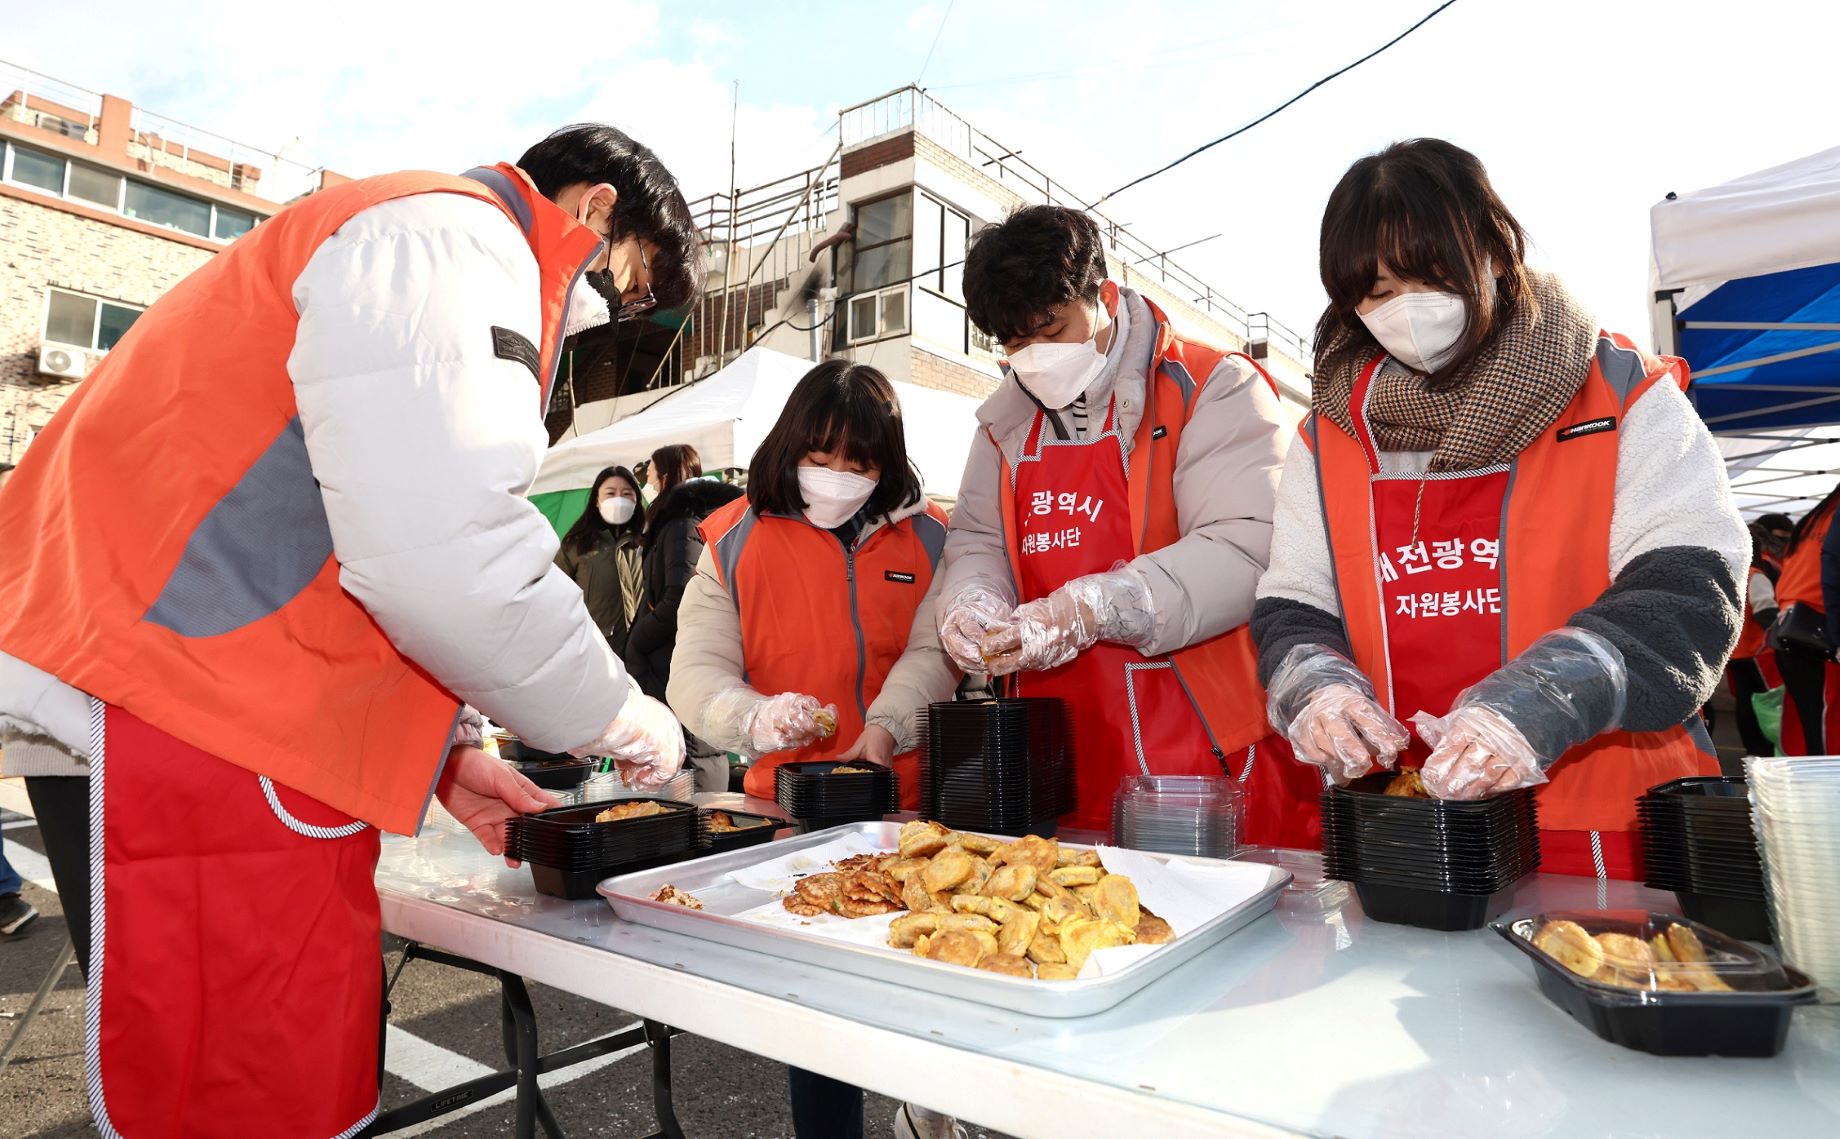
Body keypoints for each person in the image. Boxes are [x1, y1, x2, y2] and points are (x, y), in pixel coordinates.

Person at [0, 123, 700, 1138]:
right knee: (254, 1097)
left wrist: (449, 754)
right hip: (207, 713)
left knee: (224, 1076)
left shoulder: (388, 229)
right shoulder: (455, 240)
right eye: (629, 289)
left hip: (158, 686)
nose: (604, 319)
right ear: (594, 211)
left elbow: (336, 527)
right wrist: (622, 715)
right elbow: (444, 554)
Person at [1253, 138, 1747, 880]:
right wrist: (1314, 684)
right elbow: (1295, 601)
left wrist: (1545, 698)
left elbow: (1689, 589)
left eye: (1427, 275)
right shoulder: (1328, 438)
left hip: (1613, 830)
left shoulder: (1624, 396)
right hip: (1415, 831)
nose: (1403, 309)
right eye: (1376, 292)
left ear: (1491, 245)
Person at [934, 204, 1318, 845]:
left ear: (1105, 296)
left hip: (1201, 748)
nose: (1033, 357)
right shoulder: (1001, 426)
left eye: (1051, 329)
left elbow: (1249, 543)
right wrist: (972, 599)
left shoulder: (1211, 385)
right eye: (1013, 344)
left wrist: (1099, 605)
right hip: (1053, 749)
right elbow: (976, 539)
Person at [668, 359, 960, 1139]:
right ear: (788, 446)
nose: (835, 475)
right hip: (791, 818)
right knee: (819, 1013)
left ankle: (927, 1111)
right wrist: (756, 717)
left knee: (935, 978)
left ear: (885, 463)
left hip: (914, 810)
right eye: (819, 455)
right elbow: (694, 676)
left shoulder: (932, 533)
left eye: (858, 461)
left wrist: (887, 727)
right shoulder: (731, 538)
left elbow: (935, 652)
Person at [623, 456, 744, 792]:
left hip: (673, 655)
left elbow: (679, 594)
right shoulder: (697, 523)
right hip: (685, 652)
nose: (646, 483)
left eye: (648, 475)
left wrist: (638, 640)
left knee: (693, 749)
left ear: (665, 476)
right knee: (698, 746)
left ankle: (704, 830)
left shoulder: (683, 525)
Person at [1770, 488, 1838, 753]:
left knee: (1810, 721)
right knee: (1826, 723)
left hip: (1792, 625)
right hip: (1822, 628)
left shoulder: (1816, 516)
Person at [557, 465, 648, 650]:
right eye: (610, 493)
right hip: (596, 648)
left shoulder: (648, 540)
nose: (619, 500)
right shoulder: (576, 544)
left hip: (644, 647)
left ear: (637, 500)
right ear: (597, 500)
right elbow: (556, 596)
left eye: (626, 494)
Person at [1725, 523, 1781, 762]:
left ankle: (1754, 751)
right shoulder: (1755, 576)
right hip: (1758, 652)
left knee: (1745, 705)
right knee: (1766, 705)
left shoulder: (1731, 576)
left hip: (1737, 653)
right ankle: (1765, 750)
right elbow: (1766, 611)